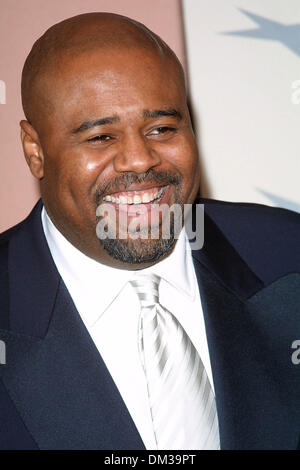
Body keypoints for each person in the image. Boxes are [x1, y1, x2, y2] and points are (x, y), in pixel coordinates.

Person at [0, 12, 299, 451]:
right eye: (101, 137)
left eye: (162, 128)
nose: (140, 160)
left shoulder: (288, 255)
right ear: (35, 151)